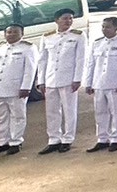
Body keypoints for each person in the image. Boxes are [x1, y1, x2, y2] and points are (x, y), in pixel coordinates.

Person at [36, 8, 87, 154]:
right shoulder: (47, 37)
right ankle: (53, 139)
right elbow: (43, 60)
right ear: (56, 20)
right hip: (51, 79)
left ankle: (67, 138)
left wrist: (77, 78)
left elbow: (81, 58)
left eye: (70, 18)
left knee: (69, 110)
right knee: (52, 111)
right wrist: (41, 80)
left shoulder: (78, 36)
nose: (68, 21)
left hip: (68, 79)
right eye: (65, 18)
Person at [0, 24, 37, 156]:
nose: (11, 34)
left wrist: (26, 87)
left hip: (16, 89)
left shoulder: (28, 48)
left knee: (17, 116)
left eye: (15, 32)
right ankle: (1, 142)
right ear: (4, 34)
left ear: (22, 34)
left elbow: (30, 69)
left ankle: (16, 142)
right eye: (9, 32)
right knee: (1, 117)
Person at [82, 15, 117, 152]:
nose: (104, 29)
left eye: (108, 27)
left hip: (115, 83)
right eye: (103, 27)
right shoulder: (97, 43)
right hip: (98, 83)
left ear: (116, 27)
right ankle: (102, 138)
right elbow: (91, 64)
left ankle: (115, 138)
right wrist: (89, 82)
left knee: (116, 112)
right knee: (100, 112)